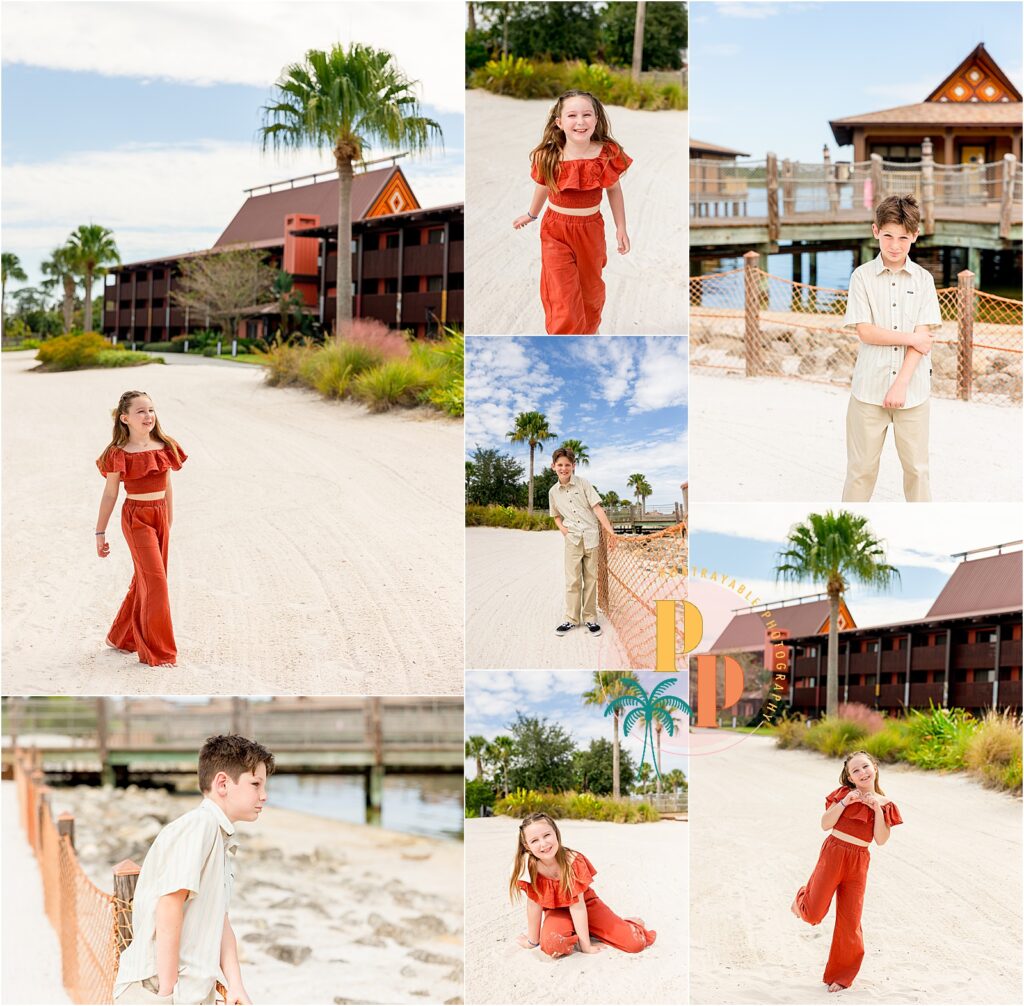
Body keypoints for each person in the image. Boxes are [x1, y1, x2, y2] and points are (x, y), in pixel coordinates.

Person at [114, 734, 274, 1005]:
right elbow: (169, 905)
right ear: (222, 783)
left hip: (187, 990)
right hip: (157, 989)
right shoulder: (201, 826)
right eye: (255, 784)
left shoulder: (218, 835)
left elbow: (219, 919)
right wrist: (166, 991)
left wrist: (235, 985)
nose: (264, 796)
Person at [841, 194, 942, 502]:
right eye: (887, 236)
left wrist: (900, 385)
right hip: (868, 391)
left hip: (912, 393)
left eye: (902, 237)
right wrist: (910, 338)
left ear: (914, 236)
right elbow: (865, 332)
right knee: (860, 471)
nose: (894, 245)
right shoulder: (861, 277)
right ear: (875, 231)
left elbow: (924, 340)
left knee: (917, 471)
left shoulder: (924, 280)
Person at [513, 90, 632, 335]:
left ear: (596, 119)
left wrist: (621, 227)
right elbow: (543, 186)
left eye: (587, 115)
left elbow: (614, 189)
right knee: (562, 295)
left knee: (591, 291)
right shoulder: (548, 155)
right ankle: (564, 340)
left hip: (591, 229)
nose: (580, 122)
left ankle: (588, 334)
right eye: (572, 115)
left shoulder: (607, 153)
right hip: (556, 230)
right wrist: (532, 214)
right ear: (560, 122)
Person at [790, 750, 903, 992]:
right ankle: (801, 898)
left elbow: (881, 840)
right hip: (833, 853)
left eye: (865, 767)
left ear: (875, 767)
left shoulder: (886, 804)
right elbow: (825, 824)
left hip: (859, 861)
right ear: (850, 778)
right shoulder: (843, 795)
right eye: (855, 770)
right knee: (812, 915)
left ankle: (841, 976)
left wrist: (877, 811)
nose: (862, 772)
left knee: (850, 920)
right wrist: (845, 802)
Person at [96, 390, 187, 667]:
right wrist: (100, 533)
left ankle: (121, 637)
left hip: (160, 515)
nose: (148, 416)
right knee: (156, 583)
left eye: (151, 410)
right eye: (141, 412)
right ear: (125, 418)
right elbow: (110, 494)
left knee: (146, 580)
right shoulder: (118, 453)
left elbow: (168, 485)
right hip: (136, 518)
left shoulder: (165, 445)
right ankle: (159, 653)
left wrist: (168, 520)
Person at [510, 812, 655, 958]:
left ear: (556, 833)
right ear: (527, 846)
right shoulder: (528, 867)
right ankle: (577, 930)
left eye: (547, 835)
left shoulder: (573, 861)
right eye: (534, 840)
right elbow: (534, 904)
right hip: (557, 911)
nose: (543, 844)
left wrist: (586, 946)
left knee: (635, 944)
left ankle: (627, 924)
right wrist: (532, 941)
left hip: (586, 905)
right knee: (553, 946)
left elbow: (577, 907)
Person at [547, 447, 618, 637]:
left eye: (567, 465)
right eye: (560, 465)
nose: (564, 468)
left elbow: (597, 509)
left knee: (591, 579)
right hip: (572, 540)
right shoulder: (553, 492)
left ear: (573, 466)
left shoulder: (584, 484)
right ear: (553, 466)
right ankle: (571, 619)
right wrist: (563, 529)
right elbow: (555, 516)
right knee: (572, 581)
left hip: (591, 538)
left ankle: (590, 618)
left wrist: (610, 532)